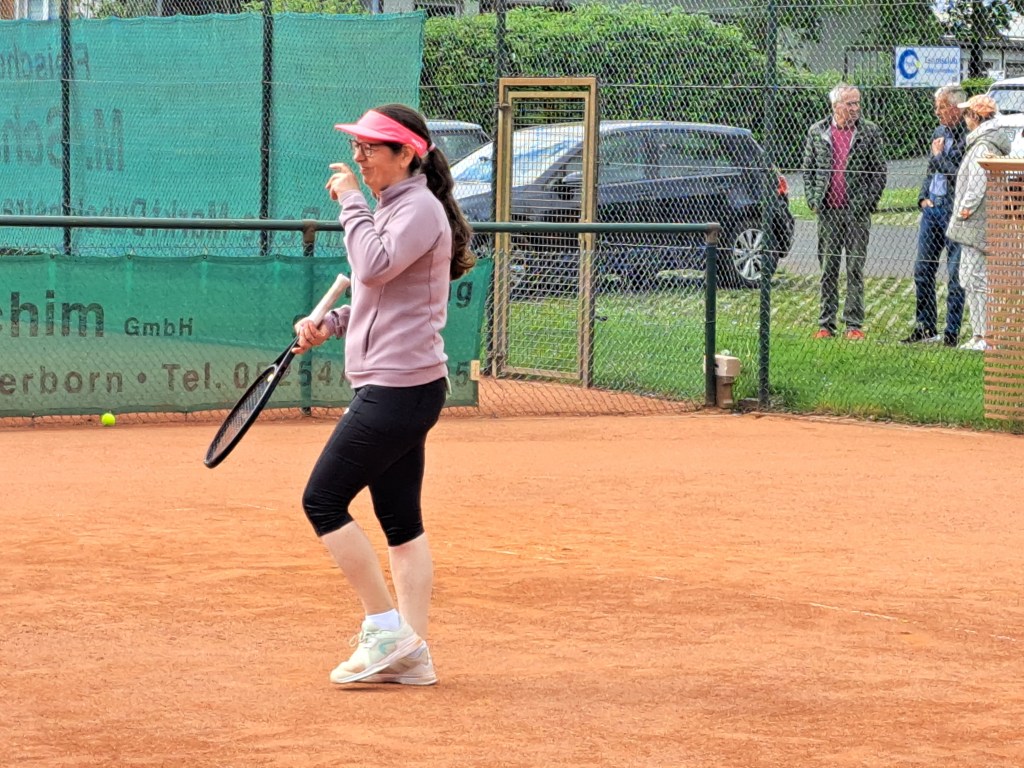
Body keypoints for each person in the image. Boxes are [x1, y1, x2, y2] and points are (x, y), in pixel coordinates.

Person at [291, 103, 475, 686]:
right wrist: (332, 323)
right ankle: (413, 655)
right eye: (357, 145)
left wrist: (350, 201)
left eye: (371, 147)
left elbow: (371, 267)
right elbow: (381, 298)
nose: (359, 156)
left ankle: (385, 627)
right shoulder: (396, 207)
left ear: (407, 154)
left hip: (400, 388)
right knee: (401, 522)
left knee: (322, 501)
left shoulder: (416, 208)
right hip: (399, 386)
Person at [802, 84, 887, 340]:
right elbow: (808, 169)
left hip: (856, 213)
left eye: (857, 103)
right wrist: (813, 199)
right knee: (828, 269)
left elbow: (879, 172)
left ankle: (853, 324)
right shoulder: (817, 131)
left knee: (854, 269)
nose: (855, 108)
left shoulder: (869, 132)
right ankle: (826, 324)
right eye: (850, 103)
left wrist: (867, 203)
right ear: (836, 106)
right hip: (828, 212)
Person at [900, 85, 968, 348]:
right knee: (923, 269)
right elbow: (931, 169)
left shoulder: (967, 136)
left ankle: (952, 332)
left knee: (955, 274)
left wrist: (939, 156)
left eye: (942, 107)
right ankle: (926, 326)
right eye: (936, 107)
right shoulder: (939, 132)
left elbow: (958, 175)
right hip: (933, 208)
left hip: (954, 210)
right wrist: (922, 197)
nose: (937, 112)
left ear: (956, 108)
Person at [946, 94, 1010, 352]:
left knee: (975, 277)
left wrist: (964, 211)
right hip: (979, 219)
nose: (964, 119)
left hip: (976, 221)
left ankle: (985, 335)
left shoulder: (982, 146)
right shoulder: (984, 142)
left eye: (967, 114)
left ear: (976, 116)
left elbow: (977, 185)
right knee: (970, 277)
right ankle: (979, 334)